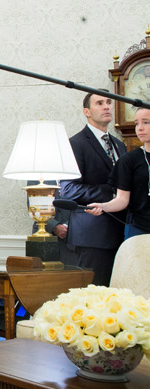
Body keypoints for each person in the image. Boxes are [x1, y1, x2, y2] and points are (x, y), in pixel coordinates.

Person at [59, 92, 127, 286]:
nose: (106, 106)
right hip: (91, 235)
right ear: (86, 111)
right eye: (99, 103)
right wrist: (112, 194)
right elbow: (70, 189)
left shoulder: (119, 145)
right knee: (93, 299)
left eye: (108, 102)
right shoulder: (75, 144)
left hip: (119, 233)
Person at [86, 107, 150, 239]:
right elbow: (122, 199)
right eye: (137, 123)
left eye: (146, 122)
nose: (140, 128)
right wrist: (103, 206)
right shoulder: (129, 160)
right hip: (139, 229)